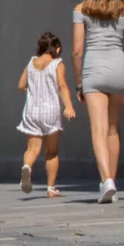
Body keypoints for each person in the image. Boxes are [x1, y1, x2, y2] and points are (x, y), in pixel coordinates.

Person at [73, 0, 124, 204]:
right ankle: (112, 180)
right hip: (119, 70)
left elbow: (77, 51)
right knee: (113, 128)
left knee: (98, 128)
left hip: (94, 71)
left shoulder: (81, 10)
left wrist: (79, 83)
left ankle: (106, 181)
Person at [17, 32, 76, 197]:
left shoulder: (31, 63)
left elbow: (21, 85)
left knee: (32, 149)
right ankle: (51, 188)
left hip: (32, 110)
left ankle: (27, 167)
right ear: (56, 49)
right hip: (50, 110)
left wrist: (34, 91)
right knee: (51, 152)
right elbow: (62, 86)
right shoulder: (57, 63)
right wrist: (69, 106)